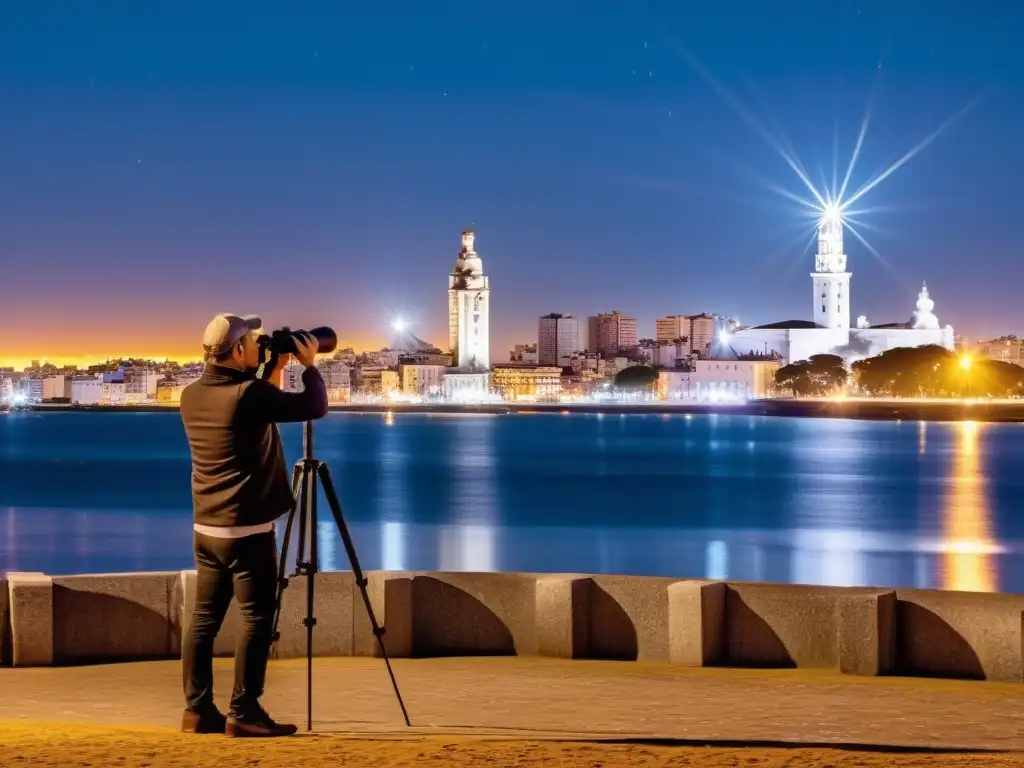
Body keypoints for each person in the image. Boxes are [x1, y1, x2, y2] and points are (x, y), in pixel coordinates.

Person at [178, 313, 328, 737]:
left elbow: (262, 406)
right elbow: (312, 407)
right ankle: (243, 711)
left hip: (207, 527)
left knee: (204, 619)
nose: (258, 344)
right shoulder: (247, 394)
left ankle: (196, 710)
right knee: (257, 618)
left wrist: (275, 368)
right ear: (238, 350)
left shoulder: (191, 394)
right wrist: (310, 366)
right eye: (253, 340)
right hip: (247, 530)